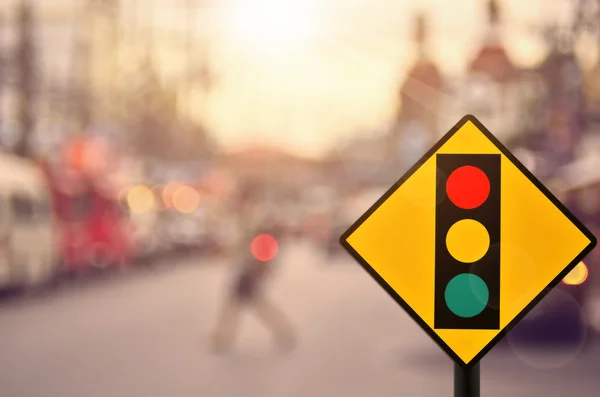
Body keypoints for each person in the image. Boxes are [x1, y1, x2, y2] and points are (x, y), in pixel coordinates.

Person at [208, 187, 296, 354]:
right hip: (250, 266)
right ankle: (283, 330)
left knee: (241, 301)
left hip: (252, 267)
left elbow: (257, 243)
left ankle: (222, 337)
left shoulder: (255, 216)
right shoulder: (251, 216)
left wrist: (259, 266)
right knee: (248, 301)